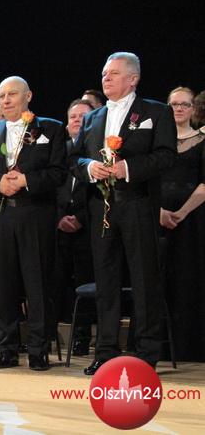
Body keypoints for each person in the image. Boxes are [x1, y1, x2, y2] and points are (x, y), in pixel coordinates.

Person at [69, 52, 176, 375]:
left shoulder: (156, 112)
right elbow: (74, 158)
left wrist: (127, 168)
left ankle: (145, 353)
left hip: (138, 204)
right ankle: (105, 351)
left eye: (114, 73)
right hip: (101, 207)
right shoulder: (93, 117)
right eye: (104, 73)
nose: (106, 78)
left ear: (133, 79)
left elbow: (166, 156)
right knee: (106, 281)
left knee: (143, 280)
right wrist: (90, 167)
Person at [0, 76, 66, 371]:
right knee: (4, 284)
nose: (6, 100)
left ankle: (38, 350)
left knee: (37, 284)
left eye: (12, 94)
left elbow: (59, 172)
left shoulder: (50, 128)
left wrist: (27, 180)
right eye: (2, 95)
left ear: (28, 96)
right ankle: (7, 348)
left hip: (35, 214)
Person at [159, 86, 205, 361]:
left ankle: (190, 347)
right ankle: (157, 347)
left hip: (192, 222)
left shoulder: (203, 141)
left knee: (188, 278)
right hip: (156, 219)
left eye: (185, 104)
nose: (179, 108)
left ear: (193, 109)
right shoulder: (156, 143)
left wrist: (182, 212)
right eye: (174, 104)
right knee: (158, 280)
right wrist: (160, 212)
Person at [54, 99, 95, 356]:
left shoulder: (99, 151)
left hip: (87, 228)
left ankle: (82, 337)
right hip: (58, 229)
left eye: (83, 116)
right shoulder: (58, 151)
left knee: (86, 282)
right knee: (56, 282)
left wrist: (80, 217)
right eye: (73, 117)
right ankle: (52, 336)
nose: (77, 120)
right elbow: (49, 185)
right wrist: (59, 217)